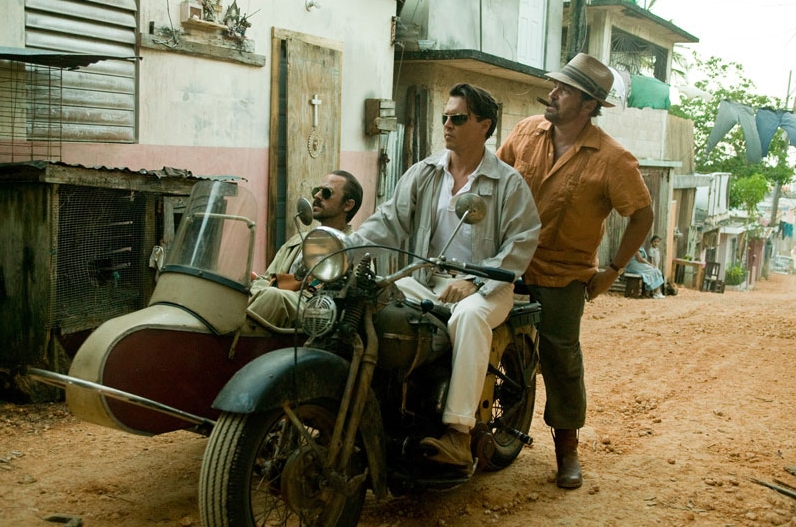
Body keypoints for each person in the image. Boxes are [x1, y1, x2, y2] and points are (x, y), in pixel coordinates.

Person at [348, 83, 540, 469]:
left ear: (485, 126)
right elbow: (389, 221)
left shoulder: (508, 182)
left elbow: (522, 241)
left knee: (468, 318)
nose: (447, 124)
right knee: (373, 299)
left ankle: (458, 434)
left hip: (488, 286)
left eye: (458, 118)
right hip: (427, 279)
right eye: (445, 117)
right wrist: (343, 251)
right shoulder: (426, 172)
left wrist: (477, 281)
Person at [496, 53, 654, 489]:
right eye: (555, 86)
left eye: (564, 91)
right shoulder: (525, 131)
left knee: (562, 359)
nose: (552, 94)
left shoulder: (613, 159)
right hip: (507, 263)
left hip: (563, 275)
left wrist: (614, 270)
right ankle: (488, 433)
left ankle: (567, 451)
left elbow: (642, 215)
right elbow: (494, 181)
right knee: (485, 344)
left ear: (589, 105)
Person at [248, 170, 363, 328]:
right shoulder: (296, 242)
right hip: (276, 307)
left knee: (273, 297)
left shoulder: (354, 250)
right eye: (317, 191)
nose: (317, 196)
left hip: (316, 313)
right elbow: (266, 279)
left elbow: (353, 301)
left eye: (327, 193)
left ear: (348, 205)